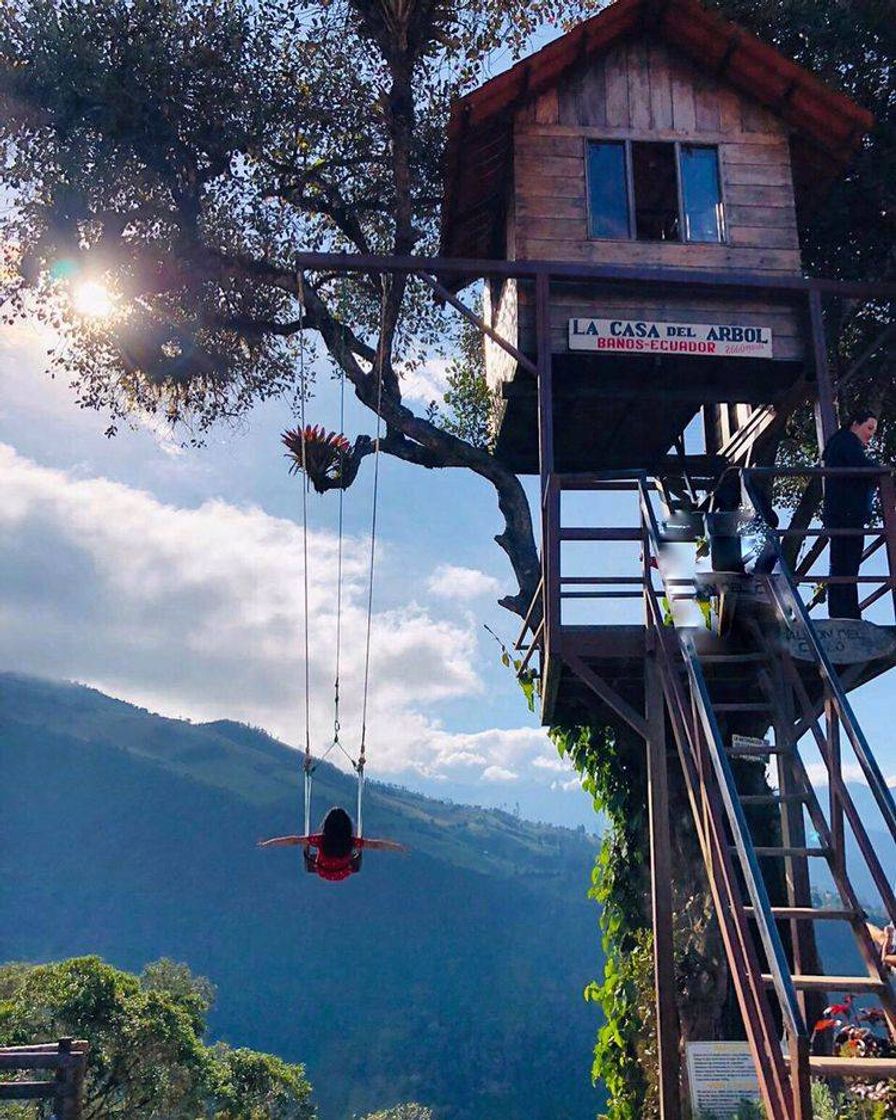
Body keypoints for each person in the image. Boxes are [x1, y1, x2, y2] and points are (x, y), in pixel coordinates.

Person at [822, 409, 878, 619]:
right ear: (856, 423)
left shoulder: (840, 443)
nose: (871, 434)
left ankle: (844, 610)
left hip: (843, 513)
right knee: (846, 564)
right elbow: (861, 465)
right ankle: (846, 612)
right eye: (869, 428)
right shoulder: (846, 441)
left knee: (843, 564)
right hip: (846, 513)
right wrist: (880, 471)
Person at [259, 806, 405, 882]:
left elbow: (293, 840)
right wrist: (397, 847)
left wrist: (269, 843)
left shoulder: (321, 840)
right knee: (357, 852)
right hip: (343, 872)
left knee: (308, 847)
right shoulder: (351, 841)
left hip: (323, 871)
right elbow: (375, 845)